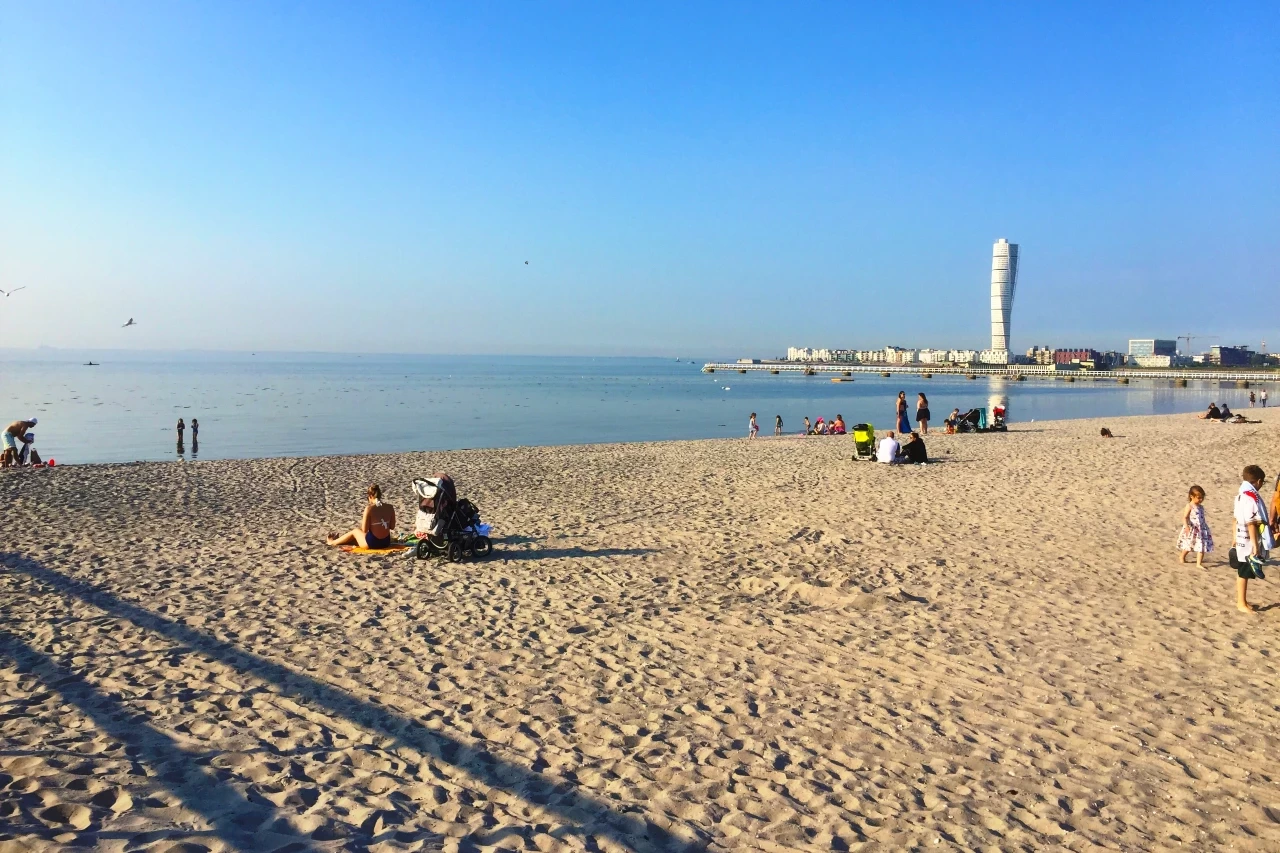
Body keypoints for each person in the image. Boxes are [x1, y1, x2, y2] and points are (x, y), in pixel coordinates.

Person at [1232, 466, 1272, 612]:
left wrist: (1234, 538)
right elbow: (1251, 523)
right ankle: (1241, 603)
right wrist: (1255, 546)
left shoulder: (1240, 495)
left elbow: (1234, 519)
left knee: (1244, 570)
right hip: (1248, 540)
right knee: (1244, 571)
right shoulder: (1250, 497)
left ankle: (1243, 602)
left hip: (1241, 536)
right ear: (1259, 481)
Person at [326, 484, 397, 549]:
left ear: (370, 496)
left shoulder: (369, 509)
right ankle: (340, 540)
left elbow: (364, 530)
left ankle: (332, 542)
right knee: (357, 538)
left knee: (355, 531)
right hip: (386, 542)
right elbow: (392, 526)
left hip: (373, 544)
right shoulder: (390, 507)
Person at [1177, 485, 1213, 568]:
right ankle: (1182, 556)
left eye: (1202, 498)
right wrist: (1186, 526)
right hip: (1192, 529)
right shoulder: (1189, 506)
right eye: (1198, 497)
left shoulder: (1201, 507)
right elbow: (1185, 517)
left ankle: (1199, 563)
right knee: (1189, 544)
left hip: (1202, 529)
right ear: (1191, 496)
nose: (1200, 500)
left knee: (1202, 546)